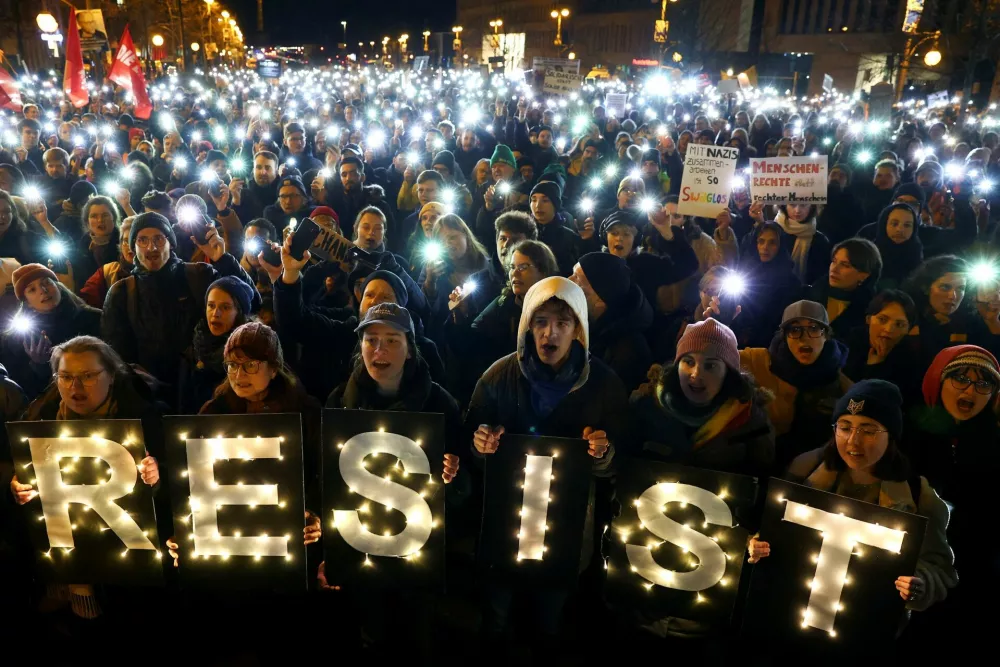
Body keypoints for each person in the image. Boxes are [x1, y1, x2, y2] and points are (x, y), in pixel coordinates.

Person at [466, 276, 624, 661]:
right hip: (505, 524)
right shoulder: (497, 376)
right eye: (540, 321)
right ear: (526, 326)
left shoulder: (604, 385)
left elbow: (621, 465)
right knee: (496, 618)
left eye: (562, 322)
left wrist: (603, 454)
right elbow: (467, 443)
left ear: (579, 331)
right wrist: (479, 443)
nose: (549, 332)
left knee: (548, 621)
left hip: (568, 531)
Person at [749, 380, 958, 624]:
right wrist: (756, 545)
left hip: (865, 625)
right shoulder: (803, 473)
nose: (853, 441)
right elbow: (772, 531)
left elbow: (940, 568)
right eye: (845, 427)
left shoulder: (917, 495)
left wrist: (921, 584)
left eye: (868, 430)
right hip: (792, 616)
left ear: (891, 436)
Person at [9, 335, 162, 620]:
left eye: (88, 376)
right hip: (65, 553)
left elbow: (168, 496)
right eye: (65, 377)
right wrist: (19, 488)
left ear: (112, 376)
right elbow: (26, 480)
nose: (75, 387)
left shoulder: (145, 418)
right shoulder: (38, 418)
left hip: (127, 565)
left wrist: (155, 477)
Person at [101, 212, 260, 391]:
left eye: (159, 239)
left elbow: (251, 303)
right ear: (133, 247)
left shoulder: (199, 276)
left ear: (170, 242)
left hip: (202, 389)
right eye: (142, 240)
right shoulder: (121, 293)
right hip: (148, 395)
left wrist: (223, 260)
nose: (151, 248)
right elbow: (117, 357)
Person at [904, 346, 999, 643]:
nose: (970, 390)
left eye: (983, 383)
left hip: (976, 565)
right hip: (918, 564)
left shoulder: (993, 439)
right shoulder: (909, 432)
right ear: (938, 380)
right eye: (960, 378)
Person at [631, 318, 775, 480]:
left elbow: (761, 480)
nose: (696, 374)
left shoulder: (750, 420)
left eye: (710, 365)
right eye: (688, 362)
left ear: (728, 373)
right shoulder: (647, 407)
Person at [739, 300, 852, 472]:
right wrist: (714, 320)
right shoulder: (759, 361)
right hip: (759, 465)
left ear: (826, 335)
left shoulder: (838, 378)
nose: (804, 337)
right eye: (795, 329)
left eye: (814, 328)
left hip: (812, 474)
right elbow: (715, 354)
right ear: (784, 336)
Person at [1, 263, 102, 399]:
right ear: (27, 303)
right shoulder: (17, 338)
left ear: (57, 286)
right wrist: (38, 364)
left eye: (46, 283)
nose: (43, 290)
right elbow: (23, 392)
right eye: (32, 290)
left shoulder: (93, 318)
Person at [570, 252, 654, 390]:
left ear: (600, 300)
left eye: (578, 279)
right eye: (573, 273)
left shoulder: (628, 352)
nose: (569, 280)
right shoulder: (584, 323)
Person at [470, 239, 558, 367]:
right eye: (512, 267)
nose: (515, 273)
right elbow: (476, 338)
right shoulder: (503, 304)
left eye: (523, 267)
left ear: (543, 271)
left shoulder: (558, 306)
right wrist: (461, 315)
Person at [903, 255, 1000, 363]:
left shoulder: (970, 322)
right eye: (945, 287)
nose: (952, 296)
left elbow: (990, 365)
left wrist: (992, 322)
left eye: (960, 288)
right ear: (926, 288)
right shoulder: (908, 317)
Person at [177, 277, 254, 413]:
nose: (215, 314)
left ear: (239, 312)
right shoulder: (195, 348)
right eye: (211, 306)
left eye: (225, 307)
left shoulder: (251, 350)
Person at [735, 221, 803, 348]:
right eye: (761, 241)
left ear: (780, 246)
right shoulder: (743, 273)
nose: (765, 247)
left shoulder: (791, 282)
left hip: (770, 347)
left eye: (772, 243)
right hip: (738, 342)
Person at [805, 238, 882, 342]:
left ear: (864, 275)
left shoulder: (871, 311)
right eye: (834, 261)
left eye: (845, 265)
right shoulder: (808, 294)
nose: (834, 269)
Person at [844, 290, 919, 395]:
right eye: (882, 320)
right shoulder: (848, 343)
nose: (888, 329)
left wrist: (875, 367)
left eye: (899, 325)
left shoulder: (910, 357)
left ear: (908, 330)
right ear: (869, 319)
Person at [528, 181, 579, 276]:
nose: (538, 206)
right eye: (534, 200)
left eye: (545, 200)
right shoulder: (524, 233)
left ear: (555, 205)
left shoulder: (569, 237)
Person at [869, 202, 923, 290]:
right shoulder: (870, 256)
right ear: (884, 224)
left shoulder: (916, 254)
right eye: (894, 224)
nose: (900, 230)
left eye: (907, 225)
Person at [231, 151, 279, 223]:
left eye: (267, 168)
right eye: (258, 167)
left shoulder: (283, 193)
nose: (263, 172)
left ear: (276, 171)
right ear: (253, 170)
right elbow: (235, 225)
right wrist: (235, 200)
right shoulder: (242, 193)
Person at [0, 190, 43, 265]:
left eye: (7, 211)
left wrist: (45, 222)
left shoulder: (27, 239)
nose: (2, 216)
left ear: (13, 213)